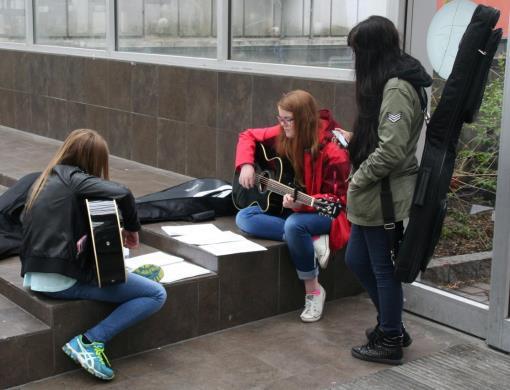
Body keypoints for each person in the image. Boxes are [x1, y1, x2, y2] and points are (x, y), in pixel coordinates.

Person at [20, 129, 167, 381]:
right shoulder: (74, 180)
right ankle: (90, 341)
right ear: (93, 159)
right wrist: (132, 230)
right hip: (60, 280)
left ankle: (127, 277)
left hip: (36, 275)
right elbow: (123, 192)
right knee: (155, 294)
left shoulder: (45, 180)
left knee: (122, 271)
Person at [342, 16, 432, 365]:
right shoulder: (394, 80)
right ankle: (392, 325)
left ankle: (391, 338)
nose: (355, 62)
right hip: (374, 193)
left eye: (358, 52)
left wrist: (359, 176)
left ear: (372, 52)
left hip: (382, 195)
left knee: (383, 269)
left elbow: (392, 150)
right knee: (356, 259)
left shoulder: (395, 88)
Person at [235, 90, 350, 322]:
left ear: (305, 119)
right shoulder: (285, 132)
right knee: (245, 217)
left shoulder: (333, 150)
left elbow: (338, 200)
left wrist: (303, 206)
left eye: (288, 119)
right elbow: (247, 135)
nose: (283, 125)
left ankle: (314, 290)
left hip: (328, 212)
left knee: (295, 225)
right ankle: (312, 240)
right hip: (297, 204)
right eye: (280, 118)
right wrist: (246, 164)